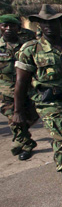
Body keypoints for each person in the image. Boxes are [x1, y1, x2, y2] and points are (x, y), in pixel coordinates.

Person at [14, 4, 62, 197]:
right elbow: (21, 82)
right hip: (49, 103)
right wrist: (18, 110)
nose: (48, 26)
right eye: (43, 23)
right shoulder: (31, 49)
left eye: (53, 22)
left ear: (61, 23)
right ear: (39, 25)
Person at [0, 14, 38, 160]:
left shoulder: (27, 46)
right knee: (14, 118)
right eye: (5, 25)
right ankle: (25, 143)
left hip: (27, 90)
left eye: (12, 26)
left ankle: (20, 137)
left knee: (31, 117)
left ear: (18, 28)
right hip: (6, 92)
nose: (8, 29)